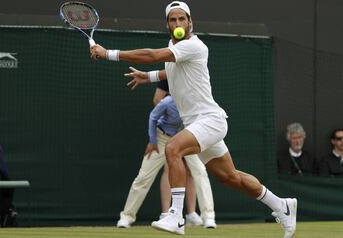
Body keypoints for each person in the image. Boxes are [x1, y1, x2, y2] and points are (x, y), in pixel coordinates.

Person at [90, 1, 297, 237]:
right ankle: (282, 205)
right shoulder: (175, 47)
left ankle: (176, 216)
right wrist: (147, 77)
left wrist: (108, 54)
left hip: (209, 120)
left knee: (173, 149)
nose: (178, 23)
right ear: (167, 24)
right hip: (199, 124)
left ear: (190, 22)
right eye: (173, 20)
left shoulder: (194, 46)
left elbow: (151, 55)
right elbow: (170, 71)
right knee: (230, 177)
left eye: (182, 19)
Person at [117, 95, 216, 228]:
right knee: (144, 177)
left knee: (200, 172)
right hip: (162, 139)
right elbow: (153, 117)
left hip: (185, 139)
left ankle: (208, 217)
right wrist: (152, 141)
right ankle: (126, 217)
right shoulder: (167, 102)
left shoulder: (195, 102)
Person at [152, 80, 217, 228]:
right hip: (169, 133)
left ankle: (206, 216)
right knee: (169, 170)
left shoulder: (195, 75)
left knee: (198, 171)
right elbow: (157, 99)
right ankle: (167, 214)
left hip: (193, 130)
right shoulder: (169, 75)